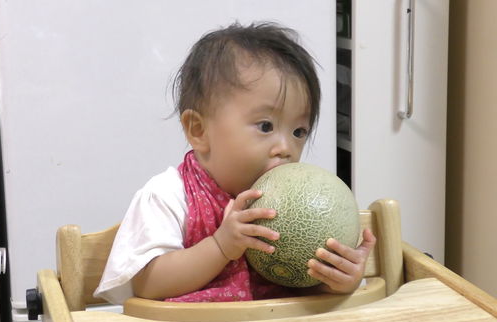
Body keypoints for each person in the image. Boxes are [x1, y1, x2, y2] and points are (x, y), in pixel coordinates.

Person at [93, 22, 376, 304]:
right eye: (266, 126)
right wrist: (221, 245)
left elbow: (302, 293)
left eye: (299, 132)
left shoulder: (300, 208)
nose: (286, 148)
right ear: (198, 130)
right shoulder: (167, 197)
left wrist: (337, 281)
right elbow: (148, 283)